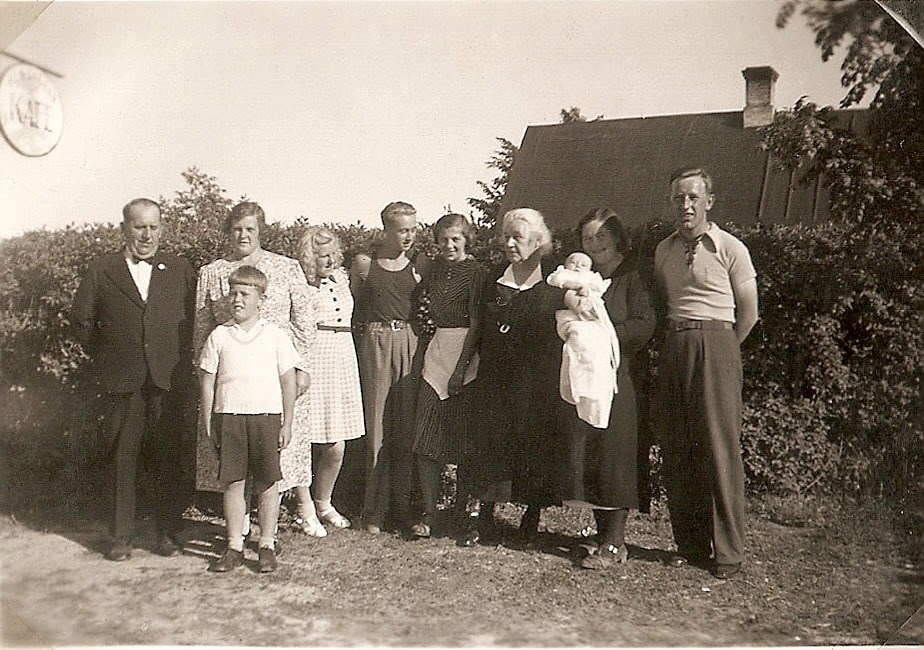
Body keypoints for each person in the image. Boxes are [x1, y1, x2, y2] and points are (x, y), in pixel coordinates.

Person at [71, 198, 196, 561]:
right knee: (121, 457)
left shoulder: (179, 268)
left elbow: (194, 321)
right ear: (123, 229)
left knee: (167, 454)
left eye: (154, 227)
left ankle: (167, 533)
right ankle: (120, 536)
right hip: (122, 379)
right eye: (140, 227)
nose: (147, 235)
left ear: (162, 229)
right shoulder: (102, 269)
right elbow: (81, 321)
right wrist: (108, 356)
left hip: (167, 378)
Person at [654, 168, 758, 580]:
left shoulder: (731, 248)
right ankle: (691, 545)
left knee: (719, 448)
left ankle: (729, 553)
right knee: (679, 447)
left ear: (708, 202)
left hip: (717, 343)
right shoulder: (663, 251)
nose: (686, 205)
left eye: (693, 197)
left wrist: (723, 349)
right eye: (679, 197)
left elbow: (749, 313)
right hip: (676, 344)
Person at [460, 208, 587, 548]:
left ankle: (530, 520)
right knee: (490, 444)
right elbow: (480, 327)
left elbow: (577, 308)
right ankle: (483, 518)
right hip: (494, 377)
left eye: (517, 237)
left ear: (537, 241)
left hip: (535, 381)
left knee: (534, 446)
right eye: (506, 237)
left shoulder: (553, 281)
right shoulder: (494, 279)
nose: (510, 243)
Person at [194, 201, 316, 544]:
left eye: (249, 228)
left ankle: (280, 526)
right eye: (236, 229)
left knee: (272, 463)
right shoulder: (214, 272)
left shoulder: (286, 268)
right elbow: (201, 331)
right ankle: (239, 523)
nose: (243, 235)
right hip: (232, 379)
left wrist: (301, 369)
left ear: (261, 231)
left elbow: (304, 323)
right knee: (233, 463)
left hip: (277, 378)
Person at [561, 208, 656, 569]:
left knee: (616, 456)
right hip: (588, 377)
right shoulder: (584, 278)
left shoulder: (634, 275)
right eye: (587, 238)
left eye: (601, 236)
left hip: (622, 377)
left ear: (616, 237)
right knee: (594, 454)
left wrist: (604, 336)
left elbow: (645, 324)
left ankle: (615, 542)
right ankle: (601, 535)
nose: (594, 243)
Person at [198, 266, 301, 573]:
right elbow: (207, 383)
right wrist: (209, 422)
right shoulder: (219, 336)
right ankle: (234, 546)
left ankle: (266, 544)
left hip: (266, 418)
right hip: (230, 418)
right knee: (233, 483)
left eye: (245, 294)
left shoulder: (275, 335)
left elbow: (289, 381)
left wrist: (287, 423)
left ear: (261, 299)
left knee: (268, 483)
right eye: (233, 293)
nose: (237, 299)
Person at [350, 201, 429, 533]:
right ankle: (373, 510)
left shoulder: (420, 263)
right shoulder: (365, 264)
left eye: (413, 229)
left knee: (406, 428)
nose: (409, 236)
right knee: (376, 427)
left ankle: (403, 509)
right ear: (386, 230)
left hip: (409, 342)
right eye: (402, 230)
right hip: (376, 342)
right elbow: (355, 306)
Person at [409, 214, 486, 538]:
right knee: (426, 436)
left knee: (464, 440)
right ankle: (430, 512)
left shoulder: (477, 272)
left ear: (467, 239)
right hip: (437, 351)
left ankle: (463, 512)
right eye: (443, 239)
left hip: (465, 354)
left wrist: (460, 369)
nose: (449, 245)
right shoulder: (435, 270)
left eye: (456, 238)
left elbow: (478, 322)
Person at [293, 226, 365, 536]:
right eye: (322, 255)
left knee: (336, 444)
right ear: (309, 258)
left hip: (342, 358)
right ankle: (304, 507)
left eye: (333, 254)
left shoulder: (342, 280)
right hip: (313, 355)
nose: (329, 260)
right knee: (302, 439)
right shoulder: (300, 284)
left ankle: (324, 502)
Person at [547, 251, 621, 429]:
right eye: (573, 262)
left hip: (592, 318)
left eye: (583, 264)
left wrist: (589, 288)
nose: (578, 266)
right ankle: (579, 387)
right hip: (570, 318)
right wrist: (575, 285)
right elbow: (555, 280)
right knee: (578, 341)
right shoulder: (563, 274)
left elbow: (600, 286)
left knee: (594, 351)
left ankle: (591, 395)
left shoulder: (591, 277)